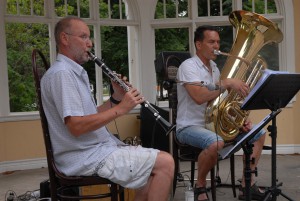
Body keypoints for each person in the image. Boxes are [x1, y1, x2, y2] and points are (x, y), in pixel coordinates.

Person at [41, 16, 174, 201]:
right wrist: (122, 109)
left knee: (148, 173)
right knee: (165, 163)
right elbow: (76, 126)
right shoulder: (62, 74)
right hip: (82, 156)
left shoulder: (74, 73)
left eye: (89, 38)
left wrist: (116, 99)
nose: (90, 43)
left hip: (95, 149)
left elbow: (89, 116)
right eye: (84, 37)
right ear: (65, 39)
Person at [176, 25, 266, 201]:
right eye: (211, 42)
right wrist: (226, 83)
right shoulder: (188, 66)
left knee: (259, 133)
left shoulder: (215, 68)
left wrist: (239, 121)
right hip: (189, 126)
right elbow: (199, 97)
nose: (216, 46)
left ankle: (247, 184)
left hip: (212, 124)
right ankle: (200, 187)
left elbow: (221, 102)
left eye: (217, 42)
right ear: (199, 45)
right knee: (215, 142)